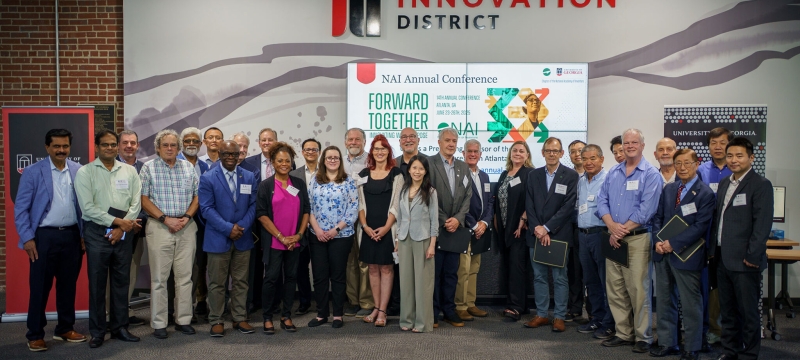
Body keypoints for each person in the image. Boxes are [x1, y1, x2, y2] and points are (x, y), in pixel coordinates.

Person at [15, 129, 86, 352]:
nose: (61, 150)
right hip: (43, 238)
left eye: (65, 146)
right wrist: (27, 238)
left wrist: (83, 236)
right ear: (47, 147)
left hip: (72, 236)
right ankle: (35, 334)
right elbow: (21, 209)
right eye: (56, 146)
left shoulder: (79, 170)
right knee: (40, 288)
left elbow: (84, 206)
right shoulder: (33, 172)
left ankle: (65, 328)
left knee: (68, 287)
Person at [596, 128, 662, 352]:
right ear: (622, 146)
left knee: (638, 289)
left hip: (636, 239)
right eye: (627, 143)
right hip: (613, 237)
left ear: (642, 146)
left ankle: (643, 336)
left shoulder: (651, 174)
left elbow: (647, 210)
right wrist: (611, 227)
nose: (630, 146)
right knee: (615, 288)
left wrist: (619, 231)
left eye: (635, 142)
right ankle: (623, 332)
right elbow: (601, 202)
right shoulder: (613, 172)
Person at [75, 130, 143, 348]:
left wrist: (123, 227)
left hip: (123, 232)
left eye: (113, 145)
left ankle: (120, 327)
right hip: (96, 233)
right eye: (105, 145)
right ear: (96, 147)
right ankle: (97, 331)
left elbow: (136, 203)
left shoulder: (130, 171)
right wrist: (117, 222)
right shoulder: (85, 172)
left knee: (121, 282)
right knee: (97, 284)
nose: (110, 148)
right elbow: (87, 208)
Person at [710, 137, 773, 360]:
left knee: (747, 313)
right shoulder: (726, 183)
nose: (733, 160)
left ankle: (749, 354)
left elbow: (762, 224)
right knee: (728, 311)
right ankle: (730, 350)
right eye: (730, 156)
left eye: (739, 156)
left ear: (751, 158)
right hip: (723, 259)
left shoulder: (760, 185)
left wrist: (752, 256)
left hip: (746, 261)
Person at [650, 148, 715, 360]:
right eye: (679, 164)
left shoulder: (705, 193)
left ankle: (692, 347)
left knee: (690, 303)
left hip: (687, 255)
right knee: (665, 301)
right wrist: (658, 241)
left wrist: (673, 243)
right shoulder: (669, 189)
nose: (683, 168)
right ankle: (669, 343)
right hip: (663, 254)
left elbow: (700, 227)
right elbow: (657, 217)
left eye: (687, 163)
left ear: (697, 165)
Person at [140, 129, 200, 339]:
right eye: (165, 145)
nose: (169, 148)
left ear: (179, 148)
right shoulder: (149, 168)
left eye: (173, 145)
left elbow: (196, 196)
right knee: (159, 279)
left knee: (185, 278)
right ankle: (159, 322)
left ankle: (183, 319)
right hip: (160, 227)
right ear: (158, 148)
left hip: (186, 226)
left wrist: (186, 217)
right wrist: (165, 219)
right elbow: (144, 199)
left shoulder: (188, 167)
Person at [198, 140, 258, 337]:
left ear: (240, 154)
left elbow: (254, 205)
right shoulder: (208, 178)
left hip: (243, 236)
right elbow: (206, 208)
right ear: (220, 154)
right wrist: (227, 228)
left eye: (234, 154)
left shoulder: (249, 176)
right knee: (217, 283)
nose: (231, 157)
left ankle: (239, 318)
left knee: (241, 281)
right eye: (226, 154)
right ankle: (216, 319)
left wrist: (240, 226)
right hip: (217, 238)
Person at [524, 137, 579, 333]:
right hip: (536, 234)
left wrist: (547, 228)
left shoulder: (571, 175)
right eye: (548, 150)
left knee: (560, 278)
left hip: (558, 235)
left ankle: (559, 316)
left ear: (562, 153)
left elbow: (568, 207)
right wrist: (538, 228)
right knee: (539, 277)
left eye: (555, 151)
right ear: (543, 153)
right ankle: (541, 314)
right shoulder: (533, 175)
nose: (552, 154)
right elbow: (529, 204)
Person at [256, 142, 311, 334]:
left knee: (291, 278)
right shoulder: (265, 185)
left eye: (287, 160)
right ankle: (268, 317)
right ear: (272, 162)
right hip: (274, 242)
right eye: (280, 160)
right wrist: (281, 237)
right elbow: (262, 215)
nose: (284, 164)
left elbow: (306, 210)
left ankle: (286, 316)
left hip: (294, 242)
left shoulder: (299, 184)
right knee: (271, 279)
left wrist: (298, 235)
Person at [307, 146, 359, 329]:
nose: (332, 160)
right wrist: (318, 230)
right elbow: (309, 208)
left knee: (338, 276)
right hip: (317, 235)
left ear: (340, 160)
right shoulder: (315, 180)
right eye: (329, 157)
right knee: (320, 276)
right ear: (323, 160)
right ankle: (321, 314)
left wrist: (336, 229)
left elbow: (353, 209)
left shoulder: (348, 181)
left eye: (336, 157)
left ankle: (338, 314)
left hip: (341, 236)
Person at [357, 135, 403, 326]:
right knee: (373, 269)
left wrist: (385, 228)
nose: (379, 152)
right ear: (371, 152)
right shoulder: (363, 174)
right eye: (376, 149)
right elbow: (358, 204)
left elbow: (397, 204)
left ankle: (383, 310)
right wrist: (366, 227)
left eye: (383, 148)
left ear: (388, 151)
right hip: (367, 230)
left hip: (388, 231)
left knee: (386, 268)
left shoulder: (397, 174)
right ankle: (376, 307)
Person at [429, 127, 473, 328]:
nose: (451, 144)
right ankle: (433, 311)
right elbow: (426, 195)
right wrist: (444, 219)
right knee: (435, 273)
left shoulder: (463, 167)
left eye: (454, 141)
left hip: (456, 229)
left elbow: (468, 196)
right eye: (447, 140)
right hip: (436, 229)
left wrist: (458, 219)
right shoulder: (429, 164)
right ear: (439, 142)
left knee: (451, 273)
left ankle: (449, 310)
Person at [391, 155, 439, 333]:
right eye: (414, 168)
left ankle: (422, 323)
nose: (417, 171)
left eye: (421, 169)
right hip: (404, 239)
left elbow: (434, 222)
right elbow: (401, 217)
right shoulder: (403, 190)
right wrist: (397, 240)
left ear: (425, 171)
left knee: (422, 283)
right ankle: (407, 319)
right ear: (409, 170)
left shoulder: (431, 192)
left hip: (423, 240)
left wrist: (432, 245)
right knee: (406, 283)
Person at [696, 127, 733, 347]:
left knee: (724, 288)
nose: (717, 147)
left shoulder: (736, 169)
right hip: (705, 237)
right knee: (705, 287)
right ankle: (707, 329)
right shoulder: (701, 170)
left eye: (722, 142)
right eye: (713, 143)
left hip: (728, 240)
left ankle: (724, 331)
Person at [575, 145, 616, 340]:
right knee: (591, 281)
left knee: (605, 280)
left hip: (601, 234)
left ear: (601, 159)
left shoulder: (609, 179)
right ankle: (597, 318)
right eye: (585, 158)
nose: (588, 162)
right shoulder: (581, 181)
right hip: (583, 235)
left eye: (593, 158)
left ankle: (610, 322)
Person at [493, 141, 534, 322]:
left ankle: (515, 307)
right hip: (504, 228)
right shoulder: (504, 174)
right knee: (510, 266)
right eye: (514, 150)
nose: (517, 153)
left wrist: (524, 218)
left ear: (527, 155)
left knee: (517, 267)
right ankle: (520, 305)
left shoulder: (529, 174)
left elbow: (532, 199)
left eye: (521, 151)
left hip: (520, 229)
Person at [389, 127, 428, 315]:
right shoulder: (392, 164)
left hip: (421, 228)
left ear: (418, 140)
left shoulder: (426, 162)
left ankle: (418, 310)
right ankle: (399, 306)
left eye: (412, 136)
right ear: (399, 141)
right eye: (404, 137)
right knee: (399, 269)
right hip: (396, 224)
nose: (408, 140)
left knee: (420, 273)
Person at [455, 139, 493, 321]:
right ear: (463, 154)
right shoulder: (459, 174)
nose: (472, 154)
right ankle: (460, 305)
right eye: (469, 151)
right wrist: (474, 224)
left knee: (474, 268)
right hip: (464, 228)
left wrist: (485, 222)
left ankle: (470, 303)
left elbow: (490, 202)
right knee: (463, 269)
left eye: (476, 151)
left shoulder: (485, 176)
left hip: (480, 229)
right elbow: (460, 204)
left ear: (480, 154)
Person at [241, 127, 276, 315]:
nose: (267, 143)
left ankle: (272, 301)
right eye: (263, 140)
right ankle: (252, 300)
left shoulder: (285, 162)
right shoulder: (248, 163)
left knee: (274, 263)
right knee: (253, 264)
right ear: (259, 142)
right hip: (254, 222)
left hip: (278, 221)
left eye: (270, 139)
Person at [177, 127, 210, 321]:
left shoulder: (205, 167)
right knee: (183, 268)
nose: (191, 144)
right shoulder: (175, 163)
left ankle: (199, 302)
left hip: (202, 224)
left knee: (199, 265)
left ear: (200, 144)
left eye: (195, 141)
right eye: (187, 140)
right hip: (181, 222)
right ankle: (182, 309)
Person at [117, 130, 148, 327]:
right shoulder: (110, 166)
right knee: (115, 272)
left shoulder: (145, 168)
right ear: (119, 145)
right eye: (125, 142)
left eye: (133, 143)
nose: (129, 146)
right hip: (115, 228)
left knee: (132, 271)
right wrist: (123, 222)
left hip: (137, 229)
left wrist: (139, 221)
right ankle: (111, 313)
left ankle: (124, 312)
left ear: (137, 146)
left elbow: (149, 198)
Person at [342, 127, 373, 318]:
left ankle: (367, 301)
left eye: (357, 139)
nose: (353, 143)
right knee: (349, 261)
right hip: (344, 219)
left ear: (364, 141)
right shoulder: (339, 161)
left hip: (366, 217)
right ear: (345, 142)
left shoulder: (372, 161)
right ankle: (353, 300)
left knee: (366, 261)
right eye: (350, 140)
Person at [289, 138, 322, 316]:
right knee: (301, 268)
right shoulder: (293, 175)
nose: (310, 152)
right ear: (302, 152)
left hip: (321, 228)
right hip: (299, 227)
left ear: (319, 152)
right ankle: (304, 302)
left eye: (314, 149)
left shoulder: (327, 172)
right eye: (307, 149)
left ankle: (321, 302)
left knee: (319, 267)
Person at [566, 139, 587, 321]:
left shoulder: (595, 175)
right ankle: (575, 307)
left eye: (580, 150)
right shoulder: (566, 175)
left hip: (589, 227)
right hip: (570, 226)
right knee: (573, 270)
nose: (577, 154)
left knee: (590, 270)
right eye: (573, 151)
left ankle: (595, 312)